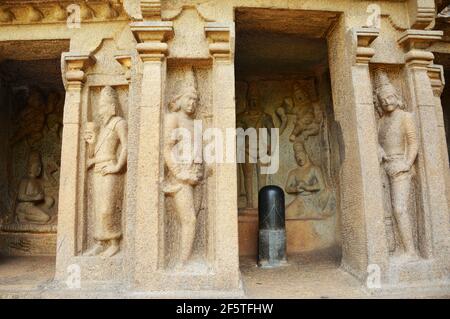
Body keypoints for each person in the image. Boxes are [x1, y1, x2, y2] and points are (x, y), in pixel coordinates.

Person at [375, 69, 419, 261]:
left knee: (400, 209)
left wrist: (406, 164)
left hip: (401, 166)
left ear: (396, 96)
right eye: (383, 99)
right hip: (385, 166)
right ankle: (396, 248)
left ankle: (410, 251)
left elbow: (413, 142)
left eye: (390, 97)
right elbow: (377, 142)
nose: (387, 102)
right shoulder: (382, 121)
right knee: (387, 211)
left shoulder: (405, 116)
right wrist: (379, 149)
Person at [163, 83, 204, 268]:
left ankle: (185, 258)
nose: (192, 103)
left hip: (196, 176)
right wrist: (181, 174)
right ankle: (182, 261)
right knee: (189, 219)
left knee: (192, 217)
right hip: (180, 177)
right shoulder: (173, 119)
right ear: (178, 100)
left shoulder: (194, 123)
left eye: (195, 100)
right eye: (189, 98)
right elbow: (166, 149)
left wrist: (200, 170)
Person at [84, 86, 127, 258]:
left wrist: (117, 167)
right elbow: (93, 154)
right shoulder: (102, 128)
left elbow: (126, 145)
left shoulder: (119, 123)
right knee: (97, 209)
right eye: (99, 107)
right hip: (98, 169)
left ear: (112, 106)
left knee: (107, 208)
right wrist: (91, 143)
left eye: (103, 107)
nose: (100, 111)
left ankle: (114, 242)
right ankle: (100, 242)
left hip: (110, 169)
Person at [285, 142, 335, 220]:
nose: (299, 158)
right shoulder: (293, 172)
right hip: (300, 199)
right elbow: (287, 188)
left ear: (306, 155)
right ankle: (309, 213)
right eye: (297, 156)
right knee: (286, 214)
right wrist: (295, 189)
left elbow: (321, 186)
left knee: (328, 191)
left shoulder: (314, 169)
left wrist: (307, 187)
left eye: (301, 155)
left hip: (314, 199)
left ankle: (314, 212)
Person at [16, 151, 54, 224]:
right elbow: (20, 196)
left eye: (40, 167)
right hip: (25, 207)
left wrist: (49, 173)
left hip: (34, 206)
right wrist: (35, 197)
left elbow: (53, 185)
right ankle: (24, 217)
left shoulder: (40, 181)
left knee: (50, 200)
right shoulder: (25, 180)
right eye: (37, 166)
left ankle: (33, 215)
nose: (39, 169)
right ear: (30, 166)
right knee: (46, 218)